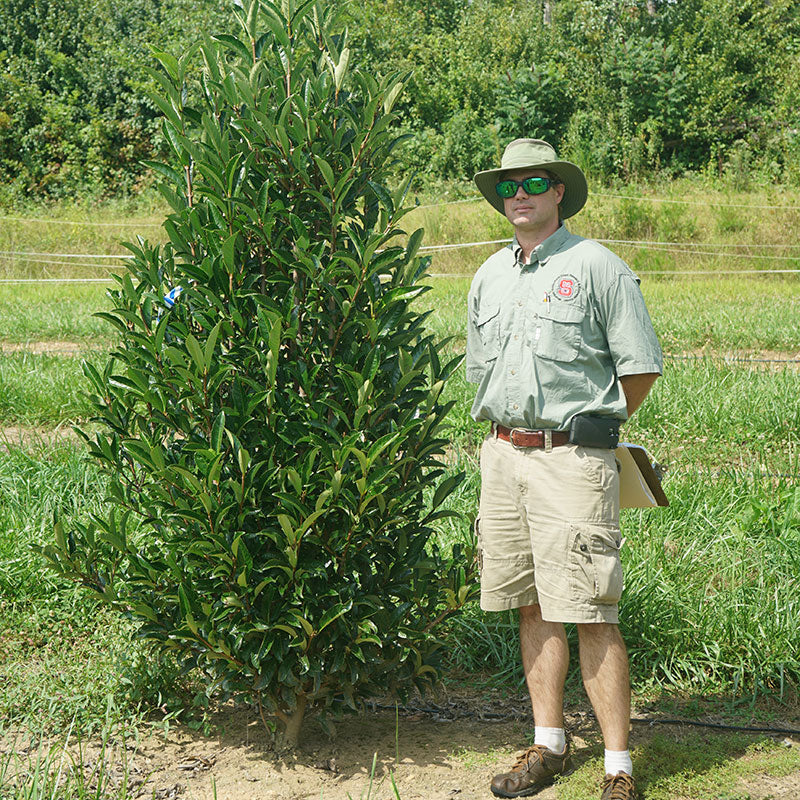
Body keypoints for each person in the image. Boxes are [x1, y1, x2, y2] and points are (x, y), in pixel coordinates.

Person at [466, 139, 663, 800]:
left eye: (532, 182)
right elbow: (482, 373)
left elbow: (639, 368)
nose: (517, 195)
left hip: (572, 461)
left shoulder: (599, 267)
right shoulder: (488, 276)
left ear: (558, 192)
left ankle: (617, 767)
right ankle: (547, 744)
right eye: (506, 187)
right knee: (531, 604)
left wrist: (588, 431)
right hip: (502, 457)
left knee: (590, 608)